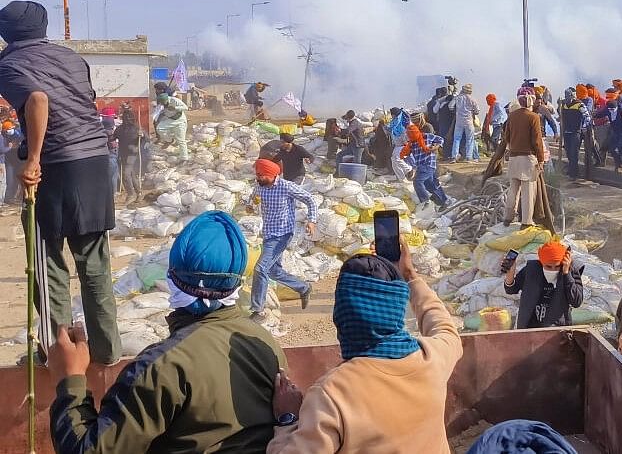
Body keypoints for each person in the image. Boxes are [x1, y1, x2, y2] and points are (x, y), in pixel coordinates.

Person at [47, 211, 287, 453]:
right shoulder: (264, 342)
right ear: (238, 282)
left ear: (171, 277)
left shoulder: (161, 367)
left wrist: (71, 380)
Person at [0, 0, 119, 363]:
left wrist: (31, 158)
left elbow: (37, 100)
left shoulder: (8, 64)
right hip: (96, 163)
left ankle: (60, 353)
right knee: (94, 262)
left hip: (56, 167)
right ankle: (106, 352)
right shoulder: (71, 58)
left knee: (46, 261)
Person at [266, 250, 463, 454]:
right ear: (397, 308)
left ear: (341, 317)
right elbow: (445, 329)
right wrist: (410, 275)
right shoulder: (432, 359)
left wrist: (287, 420)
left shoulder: (332, 394)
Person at [249, 158, 316, 323]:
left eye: (261, 175)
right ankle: (304, 287)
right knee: (274, 271)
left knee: (260, 269)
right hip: (268, 234)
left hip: (281, 234)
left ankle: (258, 309)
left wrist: (312, 220)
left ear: (271, 175)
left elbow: (310, 199)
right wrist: (250, 205)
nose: (258, 177)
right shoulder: (260, 185)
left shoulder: (286, 187)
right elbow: (253, 198)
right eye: (257, 174)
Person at [504, 240, 584, 329]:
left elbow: (576, 302)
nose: (553, 270)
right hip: (530, 327)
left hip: (557, 329)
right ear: (541, 263)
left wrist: (566, 273)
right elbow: (511, 289)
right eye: (548, 266)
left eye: (557, 266)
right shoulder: (531, 270)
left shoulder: (570, 271)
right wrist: (510, 273)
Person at [504, 93, 545, 227]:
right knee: (528, 191)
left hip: (514, 157)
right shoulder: (533, 117)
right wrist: (541, 159)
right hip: (528, 158)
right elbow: (537, 141)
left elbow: (507, 137)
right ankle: (526, 221)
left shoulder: (512, 116)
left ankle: (508, 217)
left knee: (513, 188)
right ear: (530, 104)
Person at [400, 124, 451, 210]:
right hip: (420, 166)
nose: (411, 137)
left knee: (417, 182)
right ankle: (443, 201)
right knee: (431, 185)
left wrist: (436, 147)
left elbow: (440, 139)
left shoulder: (427, 137)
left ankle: (425, 202)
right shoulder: (412, 143)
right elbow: (407, 154)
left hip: (428, 164)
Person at [153, 81, 191, 161]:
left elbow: (186, 108)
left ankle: (184, 158)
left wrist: (175, 108)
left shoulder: (174, 100)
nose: (164, 105)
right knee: (159, 128)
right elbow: (160, 111)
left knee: (181, 140)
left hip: (180, 120)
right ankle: (169, 140)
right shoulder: (162, 102)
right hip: (170, 120)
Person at [559, 87, 591, 179]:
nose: (567, 97)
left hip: (575, 132)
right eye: (566, 96)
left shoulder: (579, 104)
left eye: (568, 96)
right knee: (568, 152)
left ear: (572, 96)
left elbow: (587, 116)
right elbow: (561, 116)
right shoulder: (564, 105)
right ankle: (571, 170)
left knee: (574, 152)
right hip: (566, 132)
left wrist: (584, 127)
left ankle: (574, 173)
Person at [115, 105, 144, 206]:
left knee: (126, 174)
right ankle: (139, 193)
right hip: (123, 154)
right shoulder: (119, 129)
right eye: (125, 118)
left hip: (132, 154)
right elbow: (113, 138)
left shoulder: (137, 129)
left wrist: (142, 136)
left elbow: (146, 140)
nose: (127, 119)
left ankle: (131, 194)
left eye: (129, 117)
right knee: (131, 174)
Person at [452, 83, 481, 162]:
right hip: (469, 121)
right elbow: (477, 111)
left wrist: (457, 111)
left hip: (458, 122)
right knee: (470, 139)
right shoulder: (472, 99)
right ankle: (469, 157)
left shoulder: (457, 98)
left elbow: (450, 106)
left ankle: (454, 156)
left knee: (457, 139)